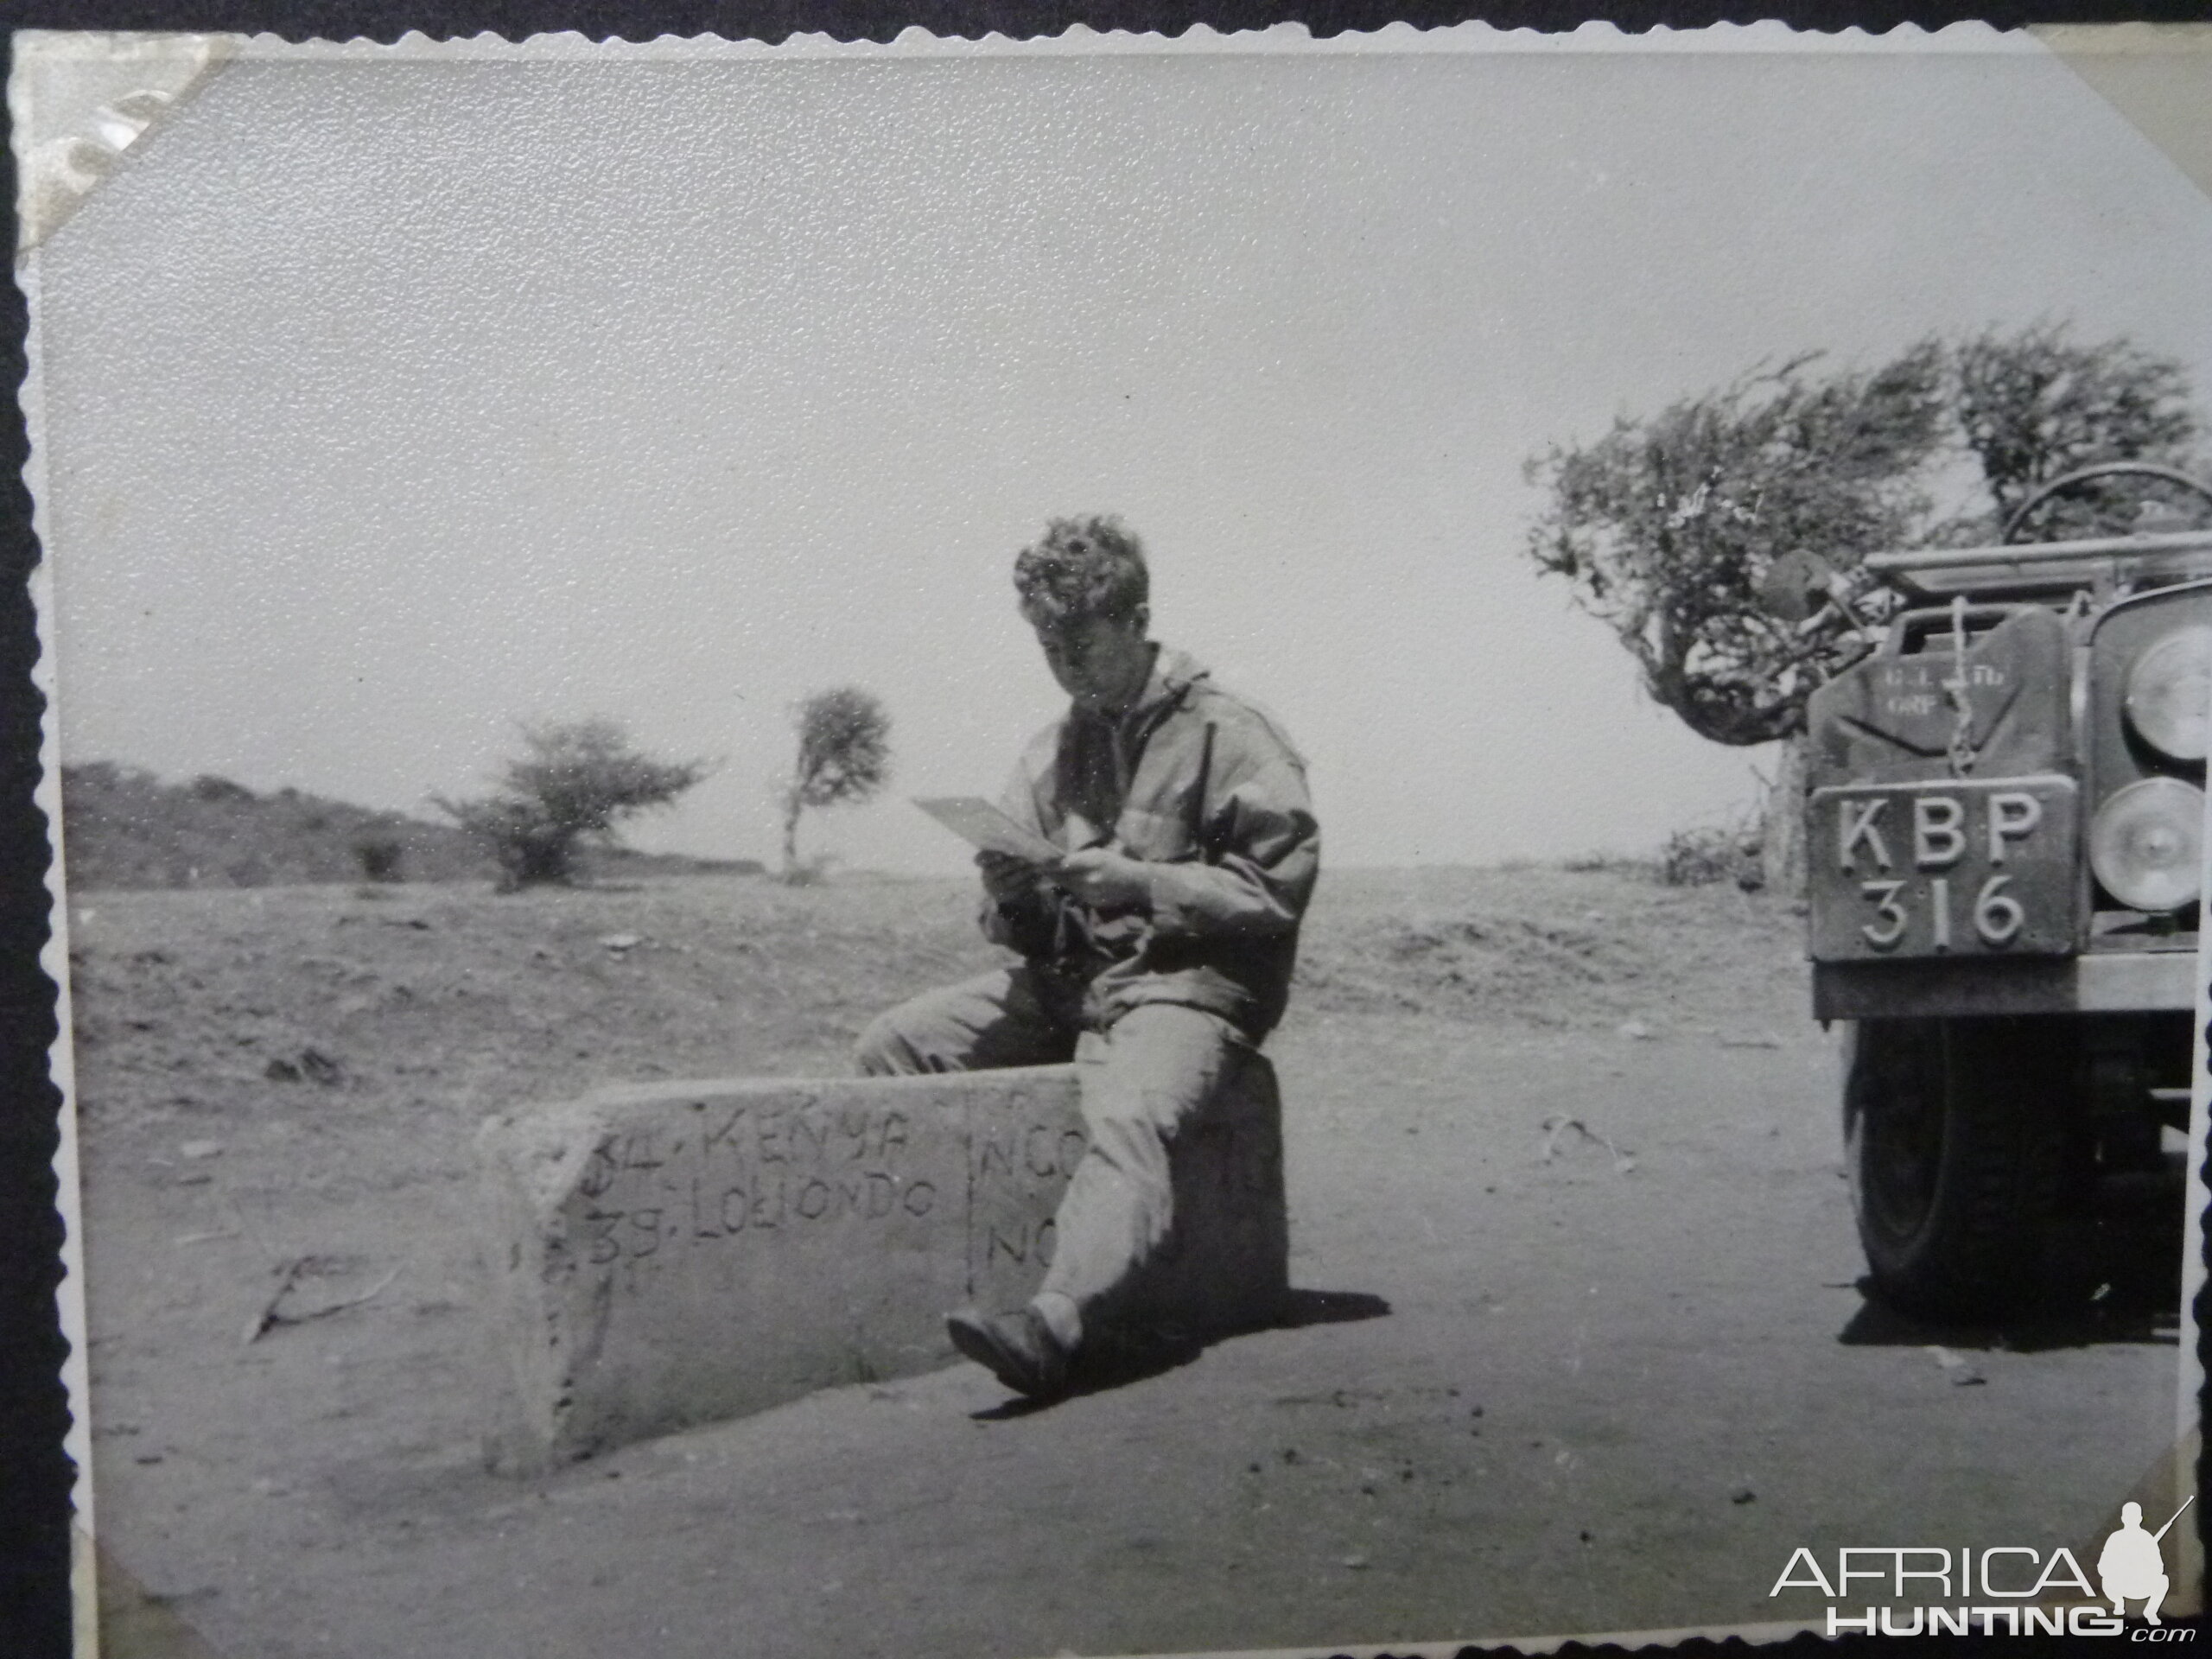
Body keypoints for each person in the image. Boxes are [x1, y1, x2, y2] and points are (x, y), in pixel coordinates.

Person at [855, 513, 1320, 1399]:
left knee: (1130, 1112)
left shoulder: (1231, 732)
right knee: (896, 1044)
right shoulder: (1050, 749)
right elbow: (1018, 930)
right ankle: (920, 1293)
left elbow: (1273, 894)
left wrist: (1142, 884)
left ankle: (1054, 1322)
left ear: (1137, 617)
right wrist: (1016, 893)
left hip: (1188, 987)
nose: (1065, 662)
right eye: (1047, 643)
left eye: (1082, 639)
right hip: (1073, 983)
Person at [2097, 1502, 2170, 1624]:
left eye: (2134, 1517)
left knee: (2163, 1580)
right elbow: (2102, 1567)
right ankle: (2119, 1603)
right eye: (2128, 1517)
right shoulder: (2115, 1538)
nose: (2131, 1520)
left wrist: (2143, 1567)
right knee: (2106, 1581)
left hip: (2142, 1585)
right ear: (2123, 1519)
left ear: (2140, 1519)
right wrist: (2120, 1568)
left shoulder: (2147, 1538)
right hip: (2119, 1585)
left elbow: (2159, 1567)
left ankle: (2151, 1612)